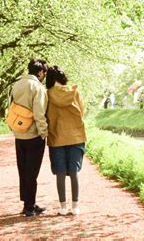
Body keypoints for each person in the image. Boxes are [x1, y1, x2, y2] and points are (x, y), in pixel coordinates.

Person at [46, 66, 87, 216]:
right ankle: (75, 207)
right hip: (76, 135)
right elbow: (82, 111)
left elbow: (45, 114)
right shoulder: (74, 92)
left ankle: (63, 207)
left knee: (61, 173)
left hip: (56, 137)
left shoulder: (47, 94)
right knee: (74, 171)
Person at [10, 58, 49, 217]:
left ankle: (28, 201)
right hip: (33, 134)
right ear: (40, 72)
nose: (45, 76)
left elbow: (11, 107)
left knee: (23, 170)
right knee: (32, 172)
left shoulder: (16, 84)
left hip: (19, 134)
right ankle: (29, 207)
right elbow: (39, 113)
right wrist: (44, 132)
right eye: (44, 73)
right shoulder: (37, 87)